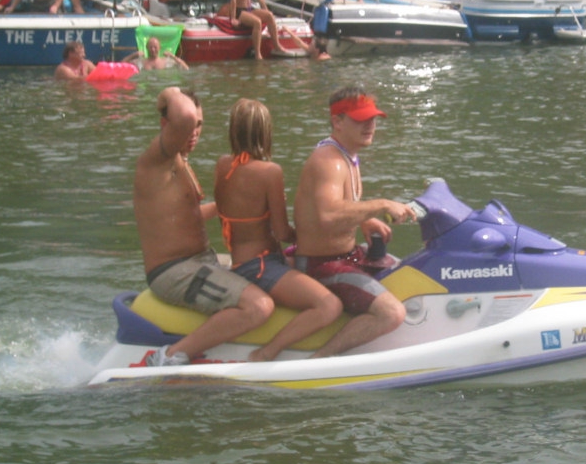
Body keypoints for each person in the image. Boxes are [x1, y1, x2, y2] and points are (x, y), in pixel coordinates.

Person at [135, 87, 274, 366]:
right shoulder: (157, 160)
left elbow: (189, 215)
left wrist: (245, 207)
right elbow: (184, 115)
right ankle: (169, 357)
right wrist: (170, 92)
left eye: (199, 125)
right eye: (190, 126)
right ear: (166, 124)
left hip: (200, 261)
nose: (194, 131)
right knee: (259, 306)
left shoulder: (180, 163)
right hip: (174, 271)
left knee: (266, 266)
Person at [292, 86, 419, 357]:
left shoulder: (347, 155)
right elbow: (328, 215)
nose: (370, 126)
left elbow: (334, 207)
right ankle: (319, 360)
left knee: (403, 271)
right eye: (361, 119)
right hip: (321, 265)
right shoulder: (328, 161)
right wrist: (381, 205)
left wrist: (365, 220)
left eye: (372, 118)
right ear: (337, 122)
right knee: (392, 313)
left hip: (345, 256)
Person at [214, 99, 343, 362]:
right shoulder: (270, 172)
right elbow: (283, 232)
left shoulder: (223, 165)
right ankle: (266, 353)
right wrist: (308, 235)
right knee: (329, 305)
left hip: (242, 260)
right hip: (260, 266)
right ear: (266, 133)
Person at [124, 36, 190, 70]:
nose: (153, 49)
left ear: (159, 48)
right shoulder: (141, 62)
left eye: (155, 47)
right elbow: (122, 64)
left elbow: (186, 68)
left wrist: (172, 56)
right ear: (147, 48)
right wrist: (133, 55)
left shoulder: (166, 61)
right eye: (151, 47)